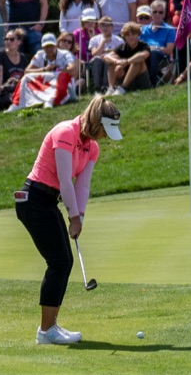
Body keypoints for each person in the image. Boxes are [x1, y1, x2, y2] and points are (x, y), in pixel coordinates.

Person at [15, 94, 121, 346]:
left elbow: (82, 184)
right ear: (96, 122)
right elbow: (65, 180)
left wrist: (79, 216)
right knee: (60, 261)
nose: (105, 137)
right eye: (104, 130)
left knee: (64, 261)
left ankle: (50, 327)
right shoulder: (65, 132)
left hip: (47, 201)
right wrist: (72, 216)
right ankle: (46, 331)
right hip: (33, 199)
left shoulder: (92, 147)